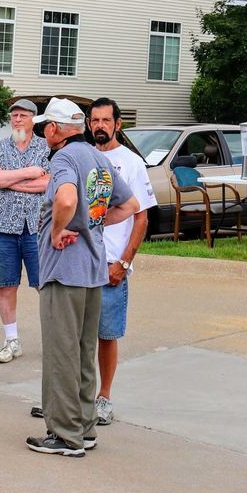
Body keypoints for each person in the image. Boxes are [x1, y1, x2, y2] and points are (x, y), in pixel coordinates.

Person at [26, 97, 138, 457]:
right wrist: (94, 223)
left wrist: (60, 229)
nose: (44, 132)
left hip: (65, 272)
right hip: (92, 273)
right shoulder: (98, 158)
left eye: (46, 126)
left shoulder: (64, 159)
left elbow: (66, 199)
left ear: (55, 129)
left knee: (61, 354)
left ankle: (65, 435)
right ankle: (85, 428)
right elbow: (130, 205)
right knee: (83, 353)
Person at [87, 97, 156, 427]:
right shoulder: (82, 157)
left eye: (105, 120)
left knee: (106, 335)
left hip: (110, 264)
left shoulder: (130, 162)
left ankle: (104, 397)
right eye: (94, 120)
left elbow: (141, 219)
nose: (100, 125)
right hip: (79, 262)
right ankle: (72, 395)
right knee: (73, 334)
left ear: (117, 125)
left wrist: (124, 263)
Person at [0, 98, 50, 363]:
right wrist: (29, 173)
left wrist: (9, 180)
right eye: (14, 116)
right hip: (2, 226)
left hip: (36, 227)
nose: (17, 120)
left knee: (44, 285)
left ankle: (55, 340)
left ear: (34, 119)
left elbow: (47, 184)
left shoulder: (46, 148)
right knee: (6, 285)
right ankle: (11, 341)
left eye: (22, 116)